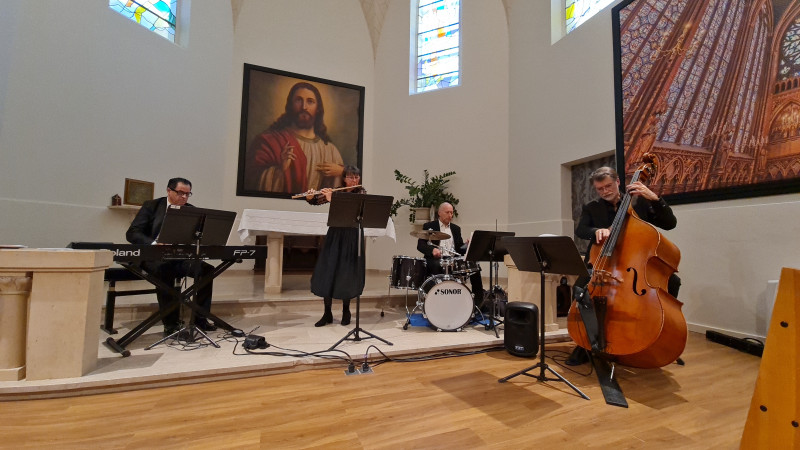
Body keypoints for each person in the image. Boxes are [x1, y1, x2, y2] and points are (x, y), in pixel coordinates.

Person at [568, 166, 680, 364]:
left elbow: (670, 223)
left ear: (618, 182)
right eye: (600, 189)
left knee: (673, 282)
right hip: (602, 262)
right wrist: (596, 231)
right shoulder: (592, 207)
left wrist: (654, 198)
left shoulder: (640, 202)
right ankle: (584, 344)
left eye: (608, 186)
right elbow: (581, 230)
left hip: (635, 266)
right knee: (581, 288)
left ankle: (656, 333)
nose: (605, 192)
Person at [126, 177, 217, 336]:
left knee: (206, 270)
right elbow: (132, 233)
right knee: (165, 270)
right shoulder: (152, 206)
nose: (184, 197)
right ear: (169, 190)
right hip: (153, 257)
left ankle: (200, 319)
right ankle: (171, 324)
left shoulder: (191, 210)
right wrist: (155, 243)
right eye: (181, 193)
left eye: (188, 194)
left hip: (180, 257)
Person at [245, 82, 345, 194]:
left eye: (310, 101)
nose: (304, 107)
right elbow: (251, 180)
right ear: (290, 105)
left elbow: (345, 194)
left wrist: (342, 172)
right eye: (298, 100)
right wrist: (280, 170)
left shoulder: (330, 151)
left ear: (318, 108)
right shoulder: (269, 141)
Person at [304, 165, 365, 327]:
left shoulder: (361, 193)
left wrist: (333, 199)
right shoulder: (337, 190)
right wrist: (310, 198)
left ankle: (346, 311)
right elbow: (318, 201)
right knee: (328, 271)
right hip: (335, 235)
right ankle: (327, 313)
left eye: (357, 177)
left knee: (346, 273)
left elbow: (351, 211)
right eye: (351, 177)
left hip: (350, 236)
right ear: (344, 178)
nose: (354, 180)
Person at [417, 202, 484, 308]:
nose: (450, 215)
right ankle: (436, 302)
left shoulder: (456, 229)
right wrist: (432, 250)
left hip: (452, 259)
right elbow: (420, 245)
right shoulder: (430, 226)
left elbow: (459, 248)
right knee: (435, 265)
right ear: (439, 213)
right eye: (447, 212)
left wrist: (467, 245)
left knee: (474, 267)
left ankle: (478, 303)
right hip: (436, 258)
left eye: (451, 213)